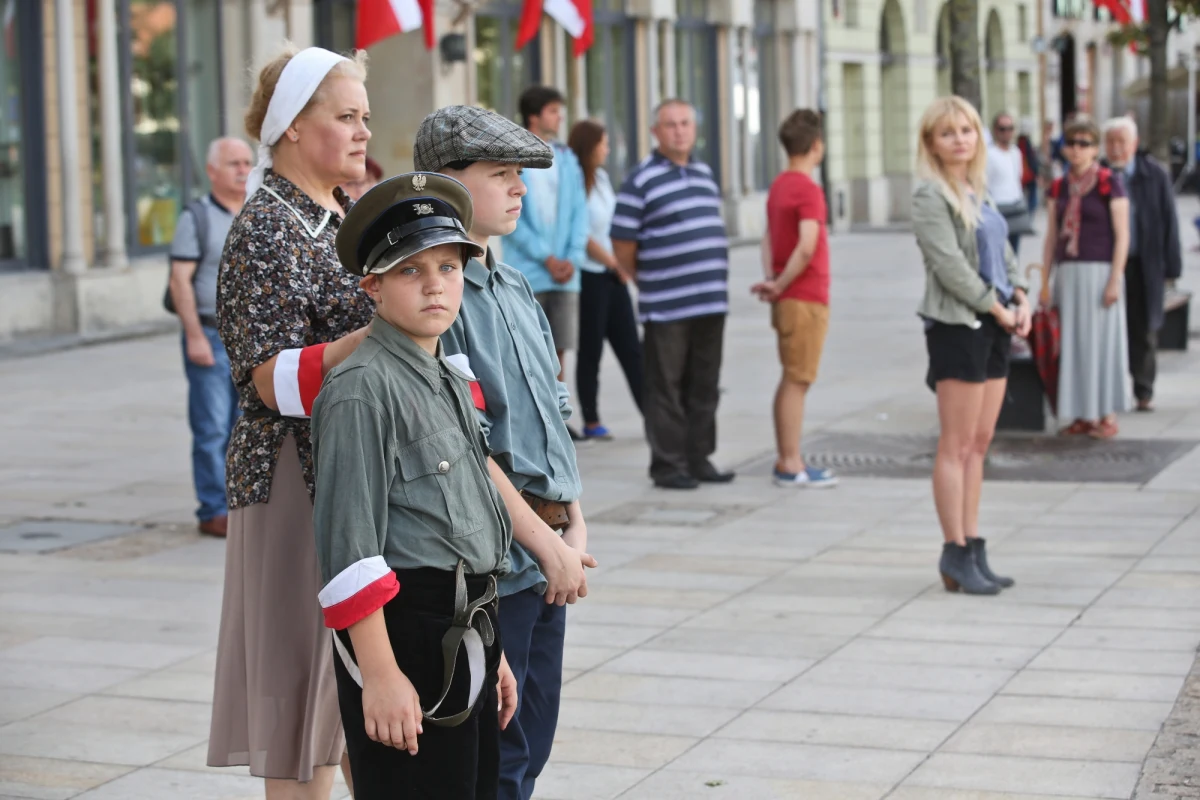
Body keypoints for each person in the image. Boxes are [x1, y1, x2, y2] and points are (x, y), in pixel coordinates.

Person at [312, 171, 519, 798]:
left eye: (449, 266)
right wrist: (379, 675)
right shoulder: (361, 389)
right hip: (407, 634)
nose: (435, 284)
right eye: (411, 270)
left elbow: (469, 516)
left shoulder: (444, 374)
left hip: (468, 623)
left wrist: (495, 648)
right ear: (372, 287)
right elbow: (350, 552)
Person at [413, 105, 597, 800]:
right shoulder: (442, 301)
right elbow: (462, 447)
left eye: (520, 175)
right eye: (501, 174)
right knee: (497, 753)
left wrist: (574, 523)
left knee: (534, 741)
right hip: (496, 560)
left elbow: (552, 416)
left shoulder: (517, 288)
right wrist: (545, 545)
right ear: (447, 185)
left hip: (550, 549)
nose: (520, 189)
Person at [208, 45, 375, 799]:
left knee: (332, 717)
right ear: (293, 128)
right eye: (346, 117)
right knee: (297, 717)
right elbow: (270, 379)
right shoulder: (267, 229)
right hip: (290, 479)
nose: (363, 132)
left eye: (365, 116)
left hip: (342, 471)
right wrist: (389, 332)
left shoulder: (339, 214)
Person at [912, 96, 1030, 596]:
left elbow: (1003, 252)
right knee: (955, 444)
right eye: (948, 132)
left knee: (979, 445)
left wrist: (1020, 294)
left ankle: (974, 545)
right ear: (931, 144)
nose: (961, 138)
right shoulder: (929, 196)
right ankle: (954, 549)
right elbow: (949, 267)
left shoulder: (975, 189)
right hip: (960, 325)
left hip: (996, 323)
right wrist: (996, 306)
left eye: (967, 129)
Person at [611, 99, 734, 490]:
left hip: (711, 300)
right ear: (655, 132)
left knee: (705, 383)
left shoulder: (703, 172)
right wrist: (648, 276)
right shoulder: (641, 179)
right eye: (670, 125)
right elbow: (622, 242)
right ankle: (668, 464)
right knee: (665, 386)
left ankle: (699, 458)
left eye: (685, 123)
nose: (679, 131)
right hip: (667, 304)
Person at [168, 137, 253, 537]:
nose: (242, 169)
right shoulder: (197, 217)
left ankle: (240, 507)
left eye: (247, 162)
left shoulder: (256, 212)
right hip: (209, 334)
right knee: (212, 427)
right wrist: (193, 336)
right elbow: (180, 280)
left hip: (247, 339)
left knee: (245, 426)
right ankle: (213, 510)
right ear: (212, 171)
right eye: (233, 163)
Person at [751, 109, 837, 489]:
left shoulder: (780, 185)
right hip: (804, 296)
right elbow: (806, 247)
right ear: (817, 146)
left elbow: (768, 238)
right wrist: (783, 283)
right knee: (797, 380)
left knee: (792, 377)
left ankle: (790, 458)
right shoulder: (808, 189)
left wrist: (772, 280)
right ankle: (790, 462)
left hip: (788, 295)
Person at [1042, 116, 1132, 439]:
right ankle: (1081, 414)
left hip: (1100, 271)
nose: (1077, 150)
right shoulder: (1058, 186)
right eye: (1072, 143)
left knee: (1103, 343)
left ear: (1095, 149)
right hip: (1069, 273)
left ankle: (1106, 414)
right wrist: (1044, 281)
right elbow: (1052, 237)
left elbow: (1122, 236)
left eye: (1085, 144)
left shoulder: (1110, 183)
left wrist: (1114, 279)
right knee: (1074, 345)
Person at [501, 88, 588, 418]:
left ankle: (558, 414)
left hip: (566, 274)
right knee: (527, 348)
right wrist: (546, 258)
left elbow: (581, 211)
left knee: (560, 348)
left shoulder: (566, 158)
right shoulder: (514, 159)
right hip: (530, 272)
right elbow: (512, 216)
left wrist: (572, 258)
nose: (559, 117)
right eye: (553, 110)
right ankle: (531, 416)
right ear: (534, 116)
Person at [567, 118, 644, 440]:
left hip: (614, 275)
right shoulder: (575, 182)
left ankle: (654, 415)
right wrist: (614, 262)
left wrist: (622, 264)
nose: (608, 148)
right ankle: (592, 420)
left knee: (632, 350)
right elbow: (582, 235)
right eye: (603, 143)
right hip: (592, 276)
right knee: (591, 351)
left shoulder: (601, 178)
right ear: (590, 146)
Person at [1103, 116, 1182, 412]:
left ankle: (1143, 390)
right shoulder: (1098, 173)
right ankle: (1111, 390)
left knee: (1144, 329)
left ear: (1134, 144)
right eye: (1110, 141)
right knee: (1111, 328)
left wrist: (1171, 269)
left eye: (1121, 141)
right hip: (1108, 265)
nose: (1115, 148)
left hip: (1144, 264)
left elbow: (1169, 223)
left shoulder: (1155, 175)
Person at [986, 112, 1029, 254]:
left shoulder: (1015, 152)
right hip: (997, 207)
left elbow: (1018, 177)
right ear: (995, 130)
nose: (1007, 133)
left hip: (1015, 206)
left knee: (1014, 252)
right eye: (1002, 129)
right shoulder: (989, 154)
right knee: (998, 252)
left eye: (1010, 128)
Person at [1017, 121, 1041, 214]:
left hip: (1028, 174)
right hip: (1029, 174)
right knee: (1032, 200)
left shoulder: (1021, 142)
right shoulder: (1025, 143)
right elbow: (1030, 159)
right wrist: (1036, 173)